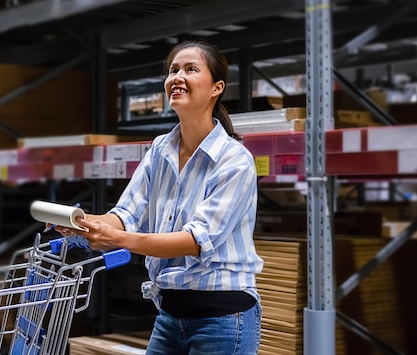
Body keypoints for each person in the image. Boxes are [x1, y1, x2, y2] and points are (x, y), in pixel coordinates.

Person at [56, 41, 263, 355]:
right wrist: (85, 224)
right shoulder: (159, 150)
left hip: (223, 318)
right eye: (173, 70)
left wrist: (120, 239)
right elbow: (126, 212)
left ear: (216, 88)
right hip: (170, 313)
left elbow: (196, 240)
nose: (177, 77)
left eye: (190, 69)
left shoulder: (234, 160)